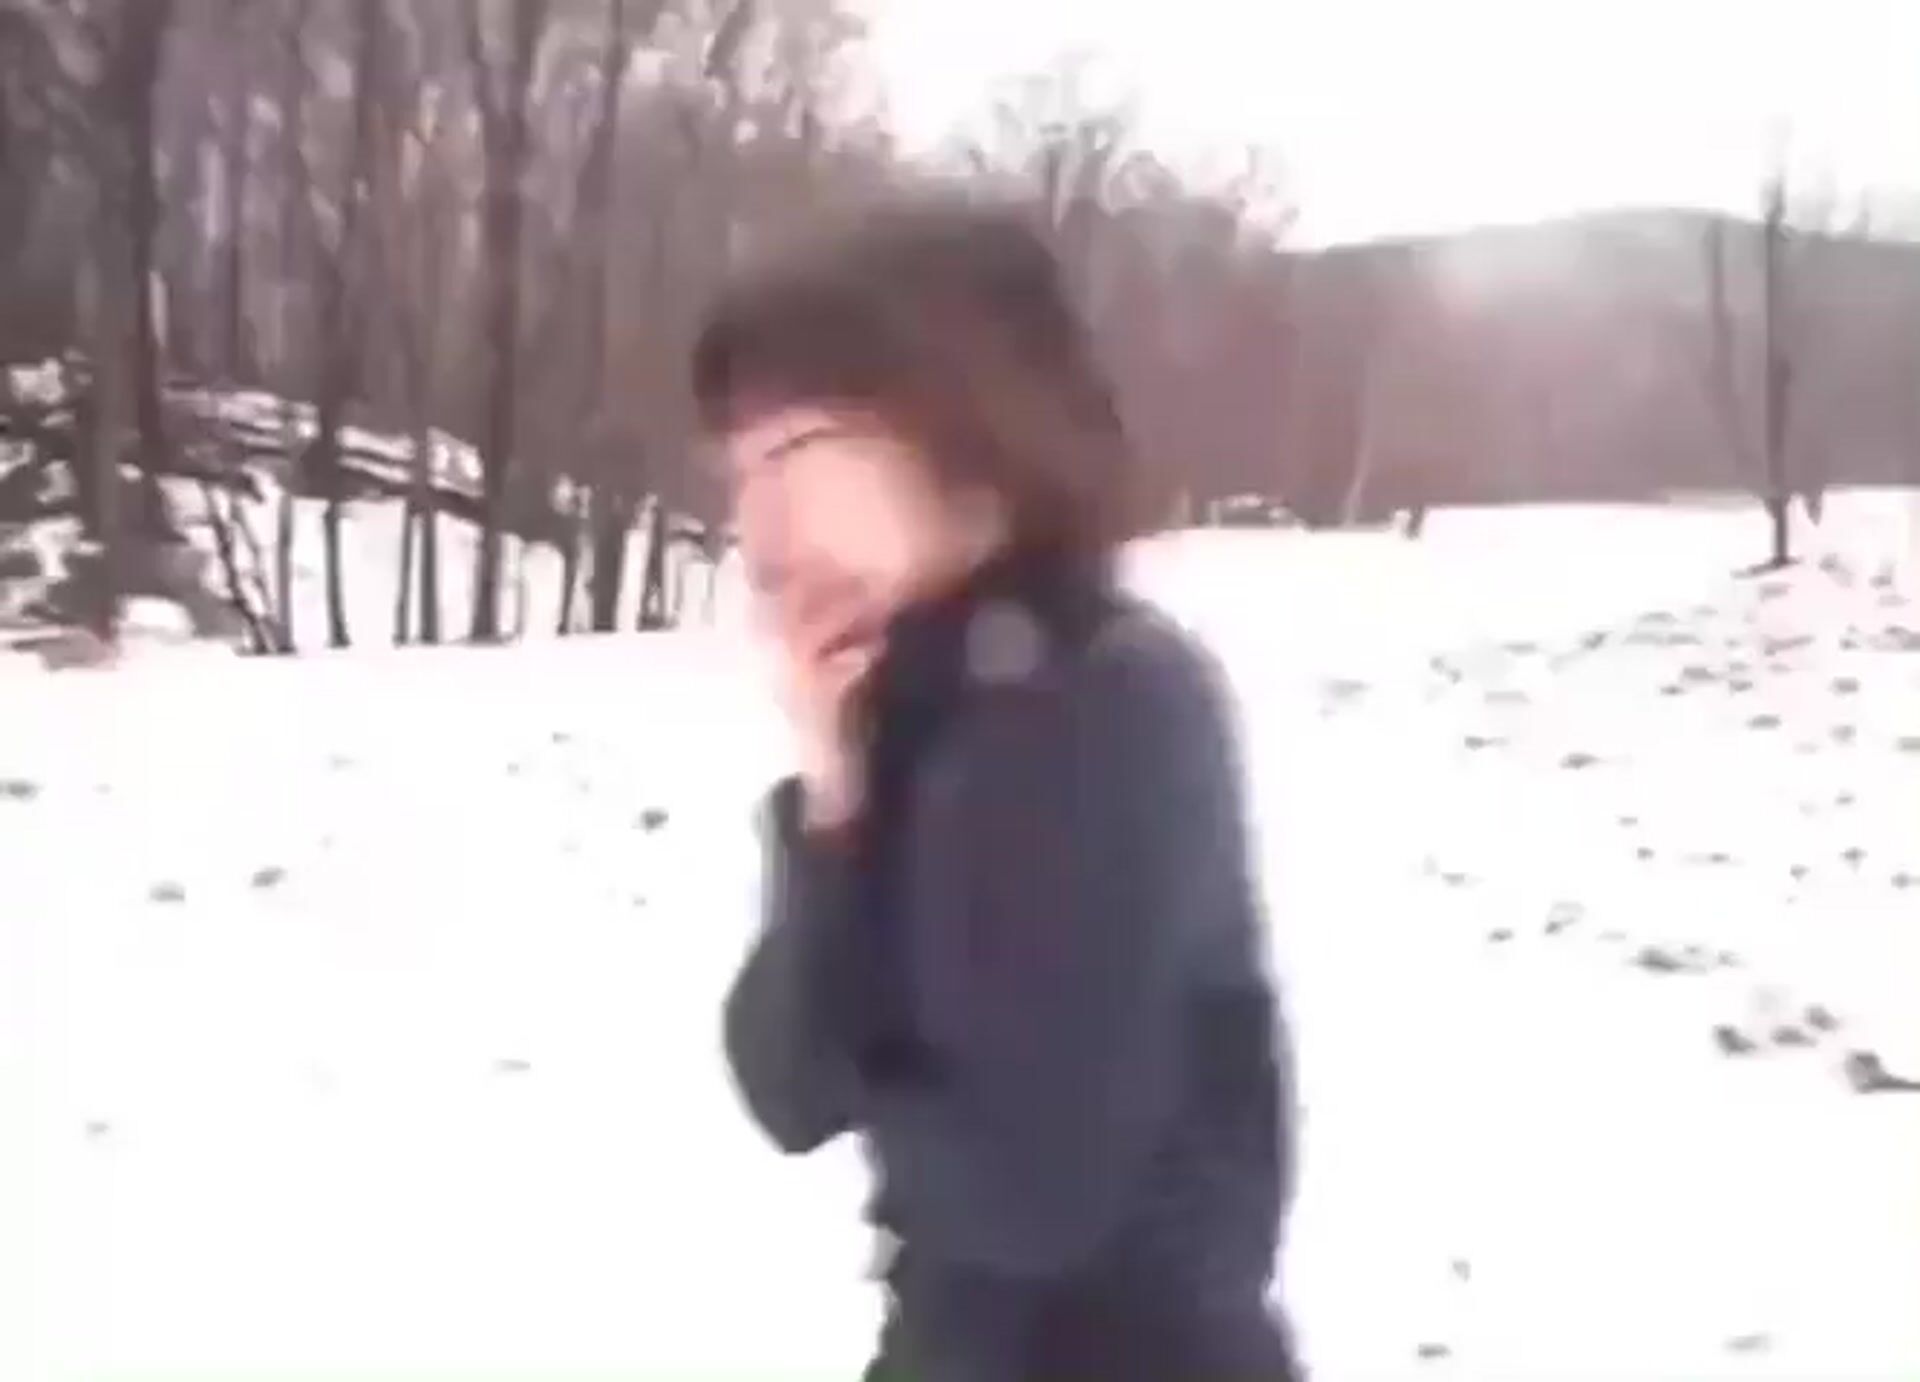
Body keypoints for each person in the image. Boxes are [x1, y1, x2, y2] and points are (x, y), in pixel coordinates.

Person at [696, 193, 1302, 1382]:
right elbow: (784, 1081)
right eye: (738, 468)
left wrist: (876, 1069)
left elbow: (1026, 1189)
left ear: (968, 431)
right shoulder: (916, 706)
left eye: (797, 451)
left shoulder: (1107, 700)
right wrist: (832, 803)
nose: (754, 515)